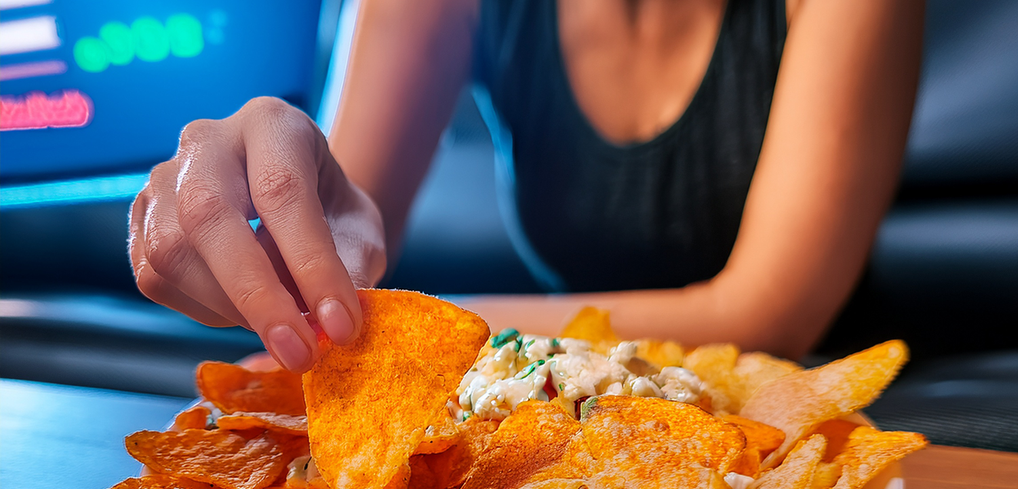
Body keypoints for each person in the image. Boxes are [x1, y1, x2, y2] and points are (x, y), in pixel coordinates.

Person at [128, 0, 924, 373]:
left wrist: (396, 331)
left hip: (803, 416)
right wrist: (277, 225)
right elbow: (343, 241)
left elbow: (763, 315)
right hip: (547, 408)